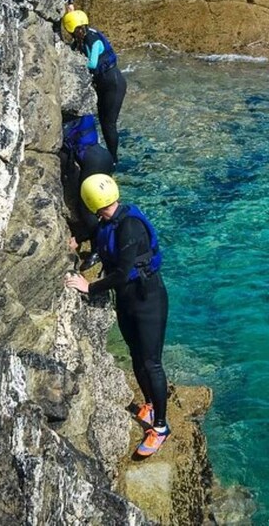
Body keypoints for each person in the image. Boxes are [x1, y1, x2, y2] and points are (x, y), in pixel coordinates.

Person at [64, 174, 171, 457]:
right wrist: (77, 241)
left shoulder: (130, 226)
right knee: (136, 355)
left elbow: (123, 273)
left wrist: (90, 287)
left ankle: (160, 427)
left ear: (89, 201)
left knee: (151, 363)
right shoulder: (107, 221)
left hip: (149, 300)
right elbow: (98, 235)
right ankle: (149, 402)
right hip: (128, 300)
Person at [62, 8, 127, 165]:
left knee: (108, 124)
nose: (75, 34)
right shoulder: (80, 40)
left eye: (76, 30)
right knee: (102, 120)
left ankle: (113, 160)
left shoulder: (93, 38)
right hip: (103, 84)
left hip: (113, 83)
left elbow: (92, 63)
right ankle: (104, 153)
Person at [61, 113, 115, 257]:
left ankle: (97, 250)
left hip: (95, 163)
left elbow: (66, 163)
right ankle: (106, 239)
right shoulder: (79, 117)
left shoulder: (65, 125)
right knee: (101, 208)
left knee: (87, 209)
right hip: (104, 156)